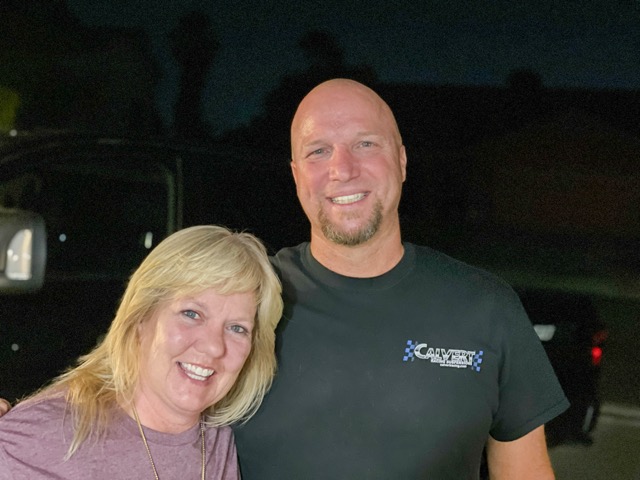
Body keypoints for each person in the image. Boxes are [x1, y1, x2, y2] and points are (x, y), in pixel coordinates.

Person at [232, 78, 569, 479]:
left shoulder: (486, 307)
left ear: (403, 161)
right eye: (318, 151)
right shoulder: (240, 302)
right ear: (296, 175)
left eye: (365, 144)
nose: (342, 169)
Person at [0, 225, 282, 479]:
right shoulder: (40, 438)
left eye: (237, 328)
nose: (213, 346)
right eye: (191, 313)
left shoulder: (219, 442)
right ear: (141, 319)